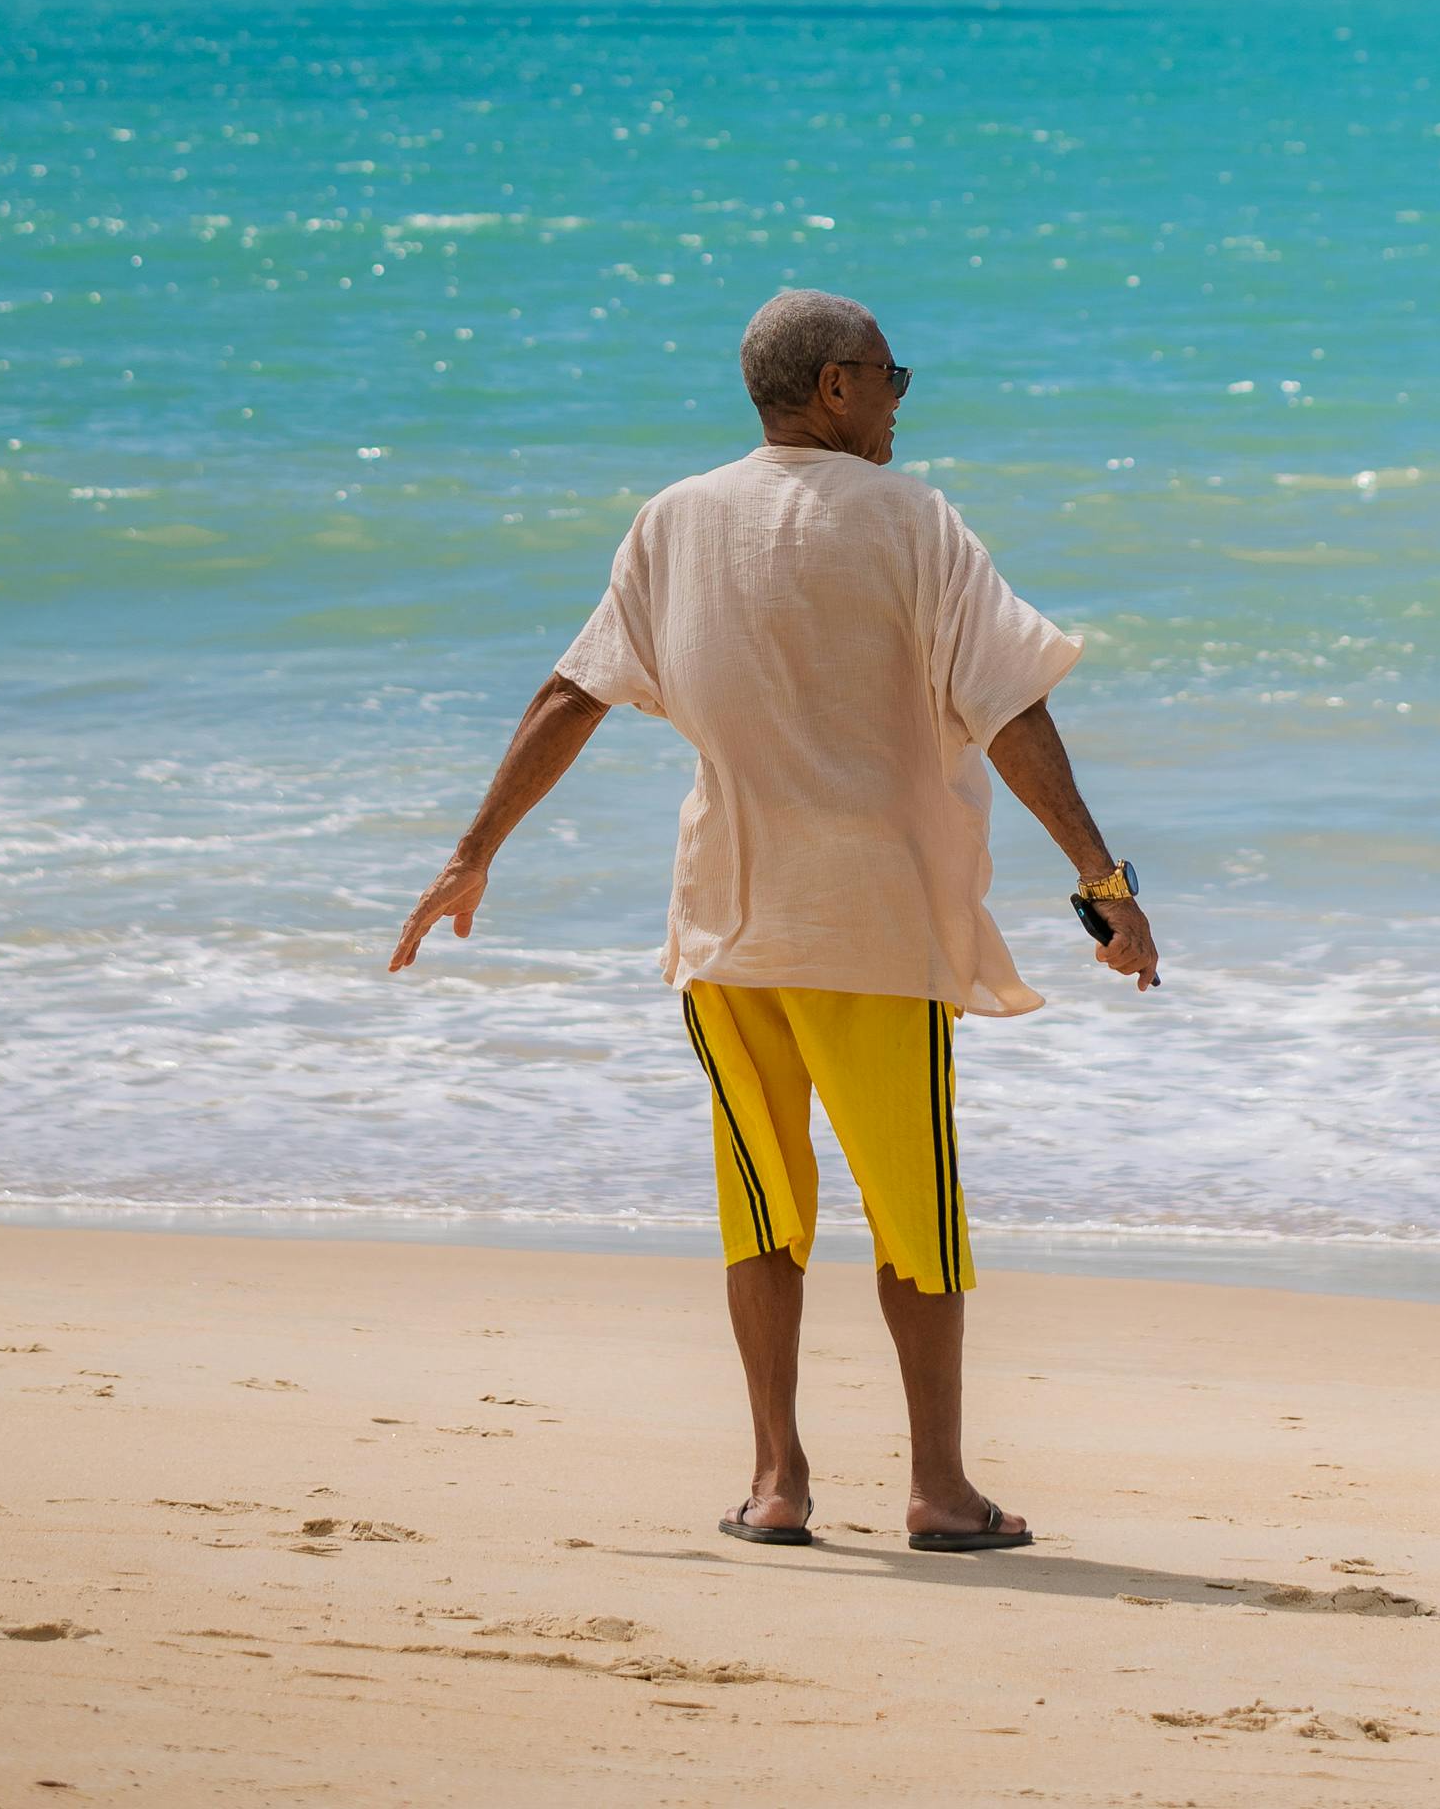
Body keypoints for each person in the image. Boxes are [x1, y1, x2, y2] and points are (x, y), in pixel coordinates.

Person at [388, 289, 1160, 1555]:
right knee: (919, 1212)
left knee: (761, 1208)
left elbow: (571, 693)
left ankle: (777, 1484)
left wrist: (474, 854)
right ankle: (940, 1492)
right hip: (872, 925)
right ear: (837, 389)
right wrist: (1102, 881)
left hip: (728, 929)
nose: (905, 402)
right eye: (892, 378)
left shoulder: (675, 520)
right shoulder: (914, 520)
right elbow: (1012, 706)